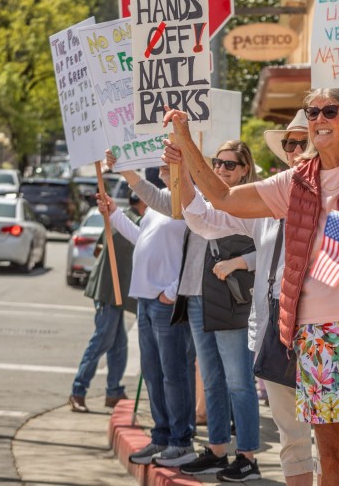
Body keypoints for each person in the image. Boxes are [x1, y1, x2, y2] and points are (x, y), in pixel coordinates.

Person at [163, 83, 339, 486]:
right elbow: (221, 198)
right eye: (312, 112)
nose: (319, 120)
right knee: (333, 454)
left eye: (330, 111)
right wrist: (185, 144)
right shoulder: (295, 182)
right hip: (318, 334)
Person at [178, 110, 320, 485]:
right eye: (289, 143)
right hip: (273, 324)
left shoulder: (334, 195)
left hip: (320, 325)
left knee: (327, 432)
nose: (294, 149)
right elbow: (205, 217)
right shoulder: (270, 194)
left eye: (302, 141)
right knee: (292, 434)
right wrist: (183, 161)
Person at [110, 144, 262, 476]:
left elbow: (267, 247)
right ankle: (218, 450)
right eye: (217, 163)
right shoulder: (202, 202)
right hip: (194, 297)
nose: (222, 168)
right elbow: (160, 200)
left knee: (238, 380)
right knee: (210, 380)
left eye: (230, 165)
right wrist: (127, 171)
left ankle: (248, 457)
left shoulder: (249, 202)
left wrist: (239, 262)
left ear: (244, 169)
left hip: (227, 299)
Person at [97, 165, 195, 466]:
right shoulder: (161, 200)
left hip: (165, 301)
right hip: (148, 299)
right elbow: (143, 238)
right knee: (153, 373)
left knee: (173, 373)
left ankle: (181, 441)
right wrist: (114, 215)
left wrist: (173, 290)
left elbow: (196, 252)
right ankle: (162, 436)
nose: (162, 168)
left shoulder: (191, 201)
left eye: (168, 164)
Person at [68, 192, 145, 413]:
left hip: (115, 291)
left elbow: (98, 248)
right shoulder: (130, 221)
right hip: (108, 291)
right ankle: (78, 391)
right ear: (141, 201)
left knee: (118, 344)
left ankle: (113, 391)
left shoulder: (122, 218)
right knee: (102, 340)